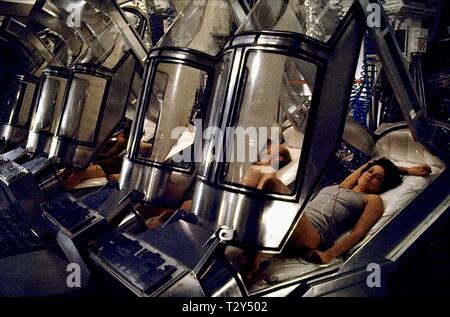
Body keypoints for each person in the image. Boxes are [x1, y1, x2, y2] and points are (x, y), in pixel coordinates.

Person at [243, 158, 432, 282]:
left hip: (311, 235)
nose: (371, 175)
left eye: (378, 178)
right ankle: (246, 228)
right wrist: (404, 168)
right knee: (259, 170)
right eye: (370, 172)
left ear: (381, 186)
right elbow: (371, 162)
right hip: (294, 221)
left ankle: (256, 252)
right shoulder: (344, 186)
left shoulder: (372, 200)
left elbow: (358, 233)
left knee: (272, 184)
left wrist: (329, 254)